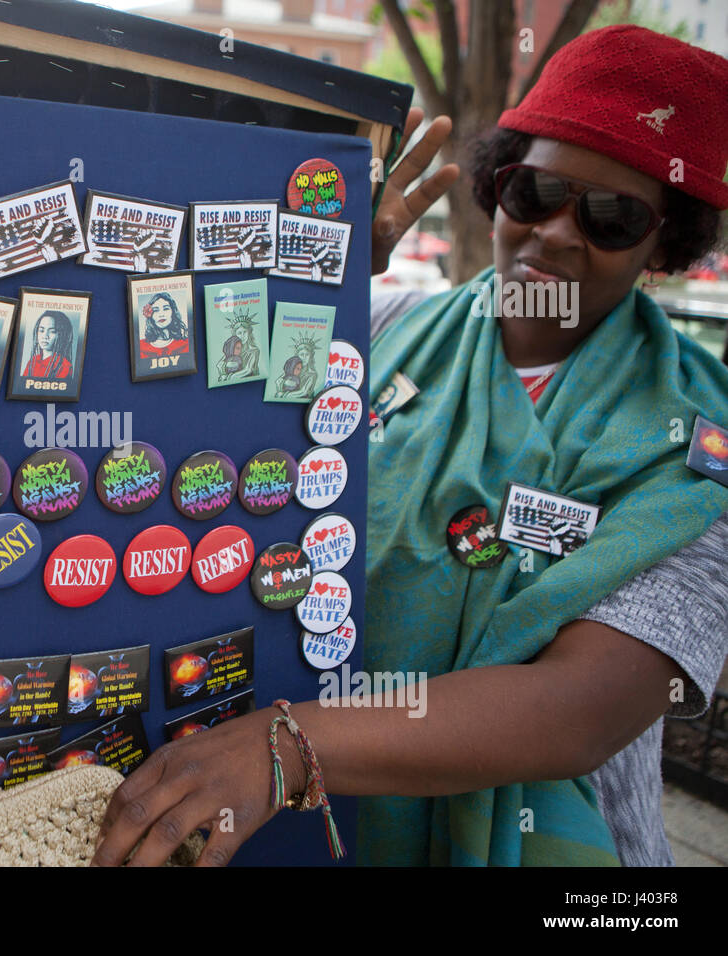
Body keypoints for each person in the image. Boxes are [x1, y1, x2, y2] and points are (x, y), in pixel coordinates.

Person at [95, 26, 728, 868]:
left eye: (614, 216)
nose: (559, 234)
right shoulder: (384, 328)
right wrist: (317, 276)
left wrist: (283, 746)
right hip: (310, 816)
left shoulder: (693, 447)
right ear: (499, 187)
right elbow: (207, 423)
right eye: (536, 192)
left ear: (666, 241)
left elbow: (579, 711)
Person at [22, 310, 74, 380]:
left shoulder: (65, 366)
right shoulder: (33, 361)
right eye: (41, 330)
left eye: (52, 331)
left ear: (62, 335)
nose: (45, 336)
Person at [138, 293, 189, 360]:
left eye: (166, 309)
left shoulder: (186, 344)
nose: (161, 314)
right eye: (155, 310)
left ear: (173, 312)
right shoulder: (140, 347)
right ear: (149, 315)